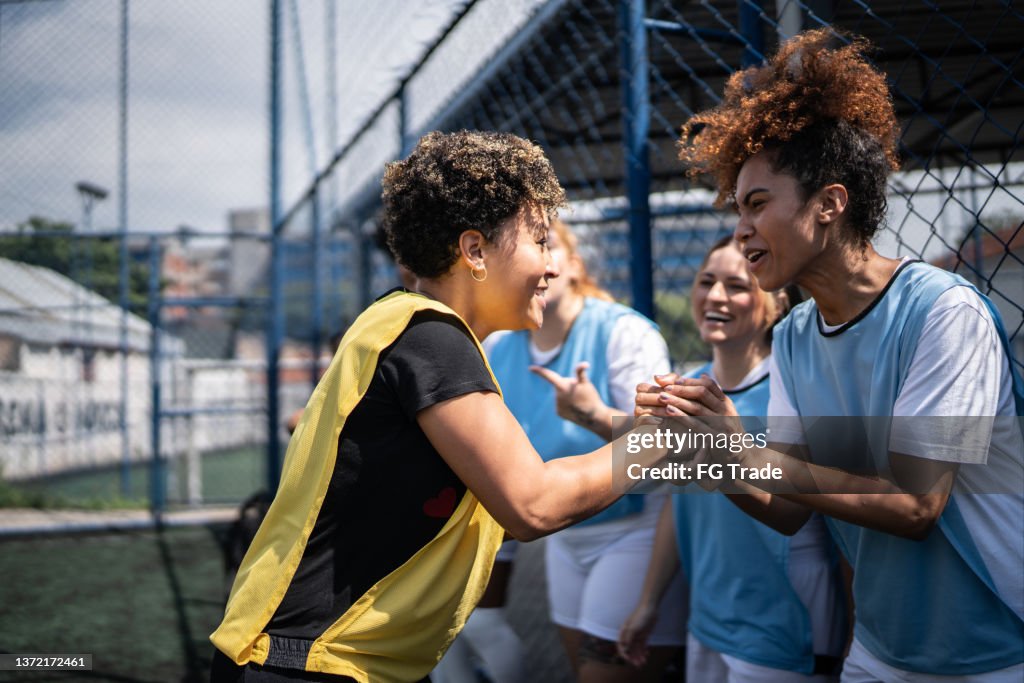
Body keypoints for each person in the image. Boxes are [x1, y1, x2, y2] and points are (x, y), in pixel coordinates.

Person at [209, 130, 683, 683]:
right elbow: (533, 504)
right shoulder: (432, 338)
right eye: (539, 242)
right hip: (307, 664)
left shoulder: (405, 326)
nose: (552, 266)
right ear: (475, 251)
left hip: (317, 658)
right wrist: (659, 439)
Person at [635, 29, 1024, 681]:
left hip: (993, 646)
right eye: (737, 208)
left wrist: (748, 450)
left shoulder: (942, 312)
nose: (740, 228)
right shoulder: (792, 335)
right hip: (877, 647)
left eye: (757, 204)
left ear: (829, 205)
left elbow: (915, 504)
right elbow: (788, 507)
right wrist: (711, 450)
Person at [617, 236, 848, 681]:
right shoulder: (688, 390)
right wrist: (649, 602)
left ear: (777, 304)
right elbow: (679, 501)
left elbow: (805, 517)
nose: (716, 296)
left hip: (783, 630)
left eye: (738, 286)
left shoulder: (795, 391)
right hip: (709, 622)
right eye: (706, 281)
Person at [486, 219, 687, 682]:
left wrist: (594, 416)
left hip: (633, 529)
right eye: (524, 248)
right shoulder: (499, 344)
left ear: (575, 266)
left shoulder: (625, 334)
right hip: (566, 534)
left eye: (546, 245)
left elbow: (669, 445)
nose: (539, 260)